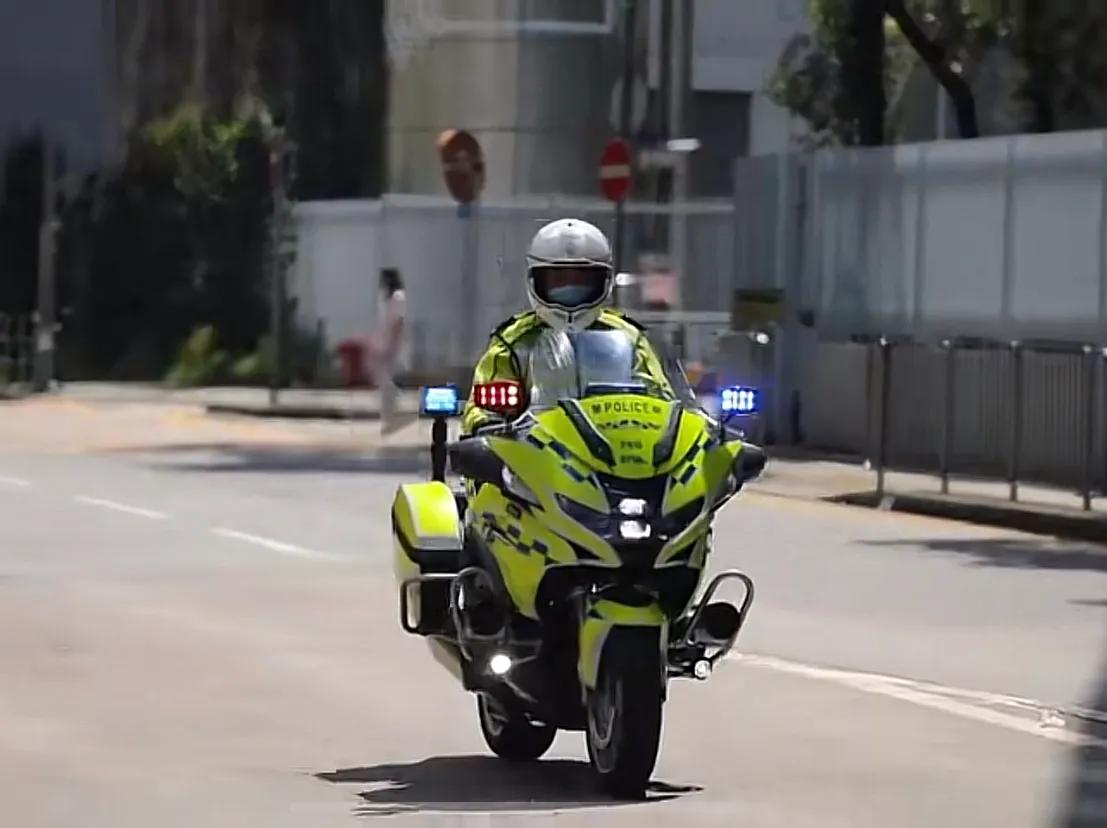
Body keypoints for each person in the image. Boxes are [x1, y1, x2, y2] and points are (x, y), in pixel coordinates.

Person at [461, 218, 674, 436]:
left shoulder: (628, 337)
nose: (570, 288)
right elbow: (483, 407)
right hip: (536, 459)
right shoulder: (514, 341)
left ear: (605, 281)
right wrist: (486, 424)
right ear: (535, 281)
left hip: (622, 455)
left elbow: (663, 399)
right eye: (558, 279)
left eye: (582, 279)